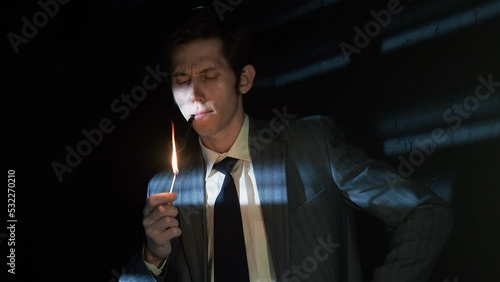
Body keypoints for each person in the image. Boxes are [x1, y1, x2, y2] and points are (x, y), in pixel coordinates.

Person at [120, 6, 453, 282]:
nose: (194, 95)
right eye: (182, 80)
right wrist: (152, 256)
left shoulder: (312, 145)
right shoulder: (166, 188)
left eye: (209, 76)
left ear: (244, 79)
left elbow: (424, 211)